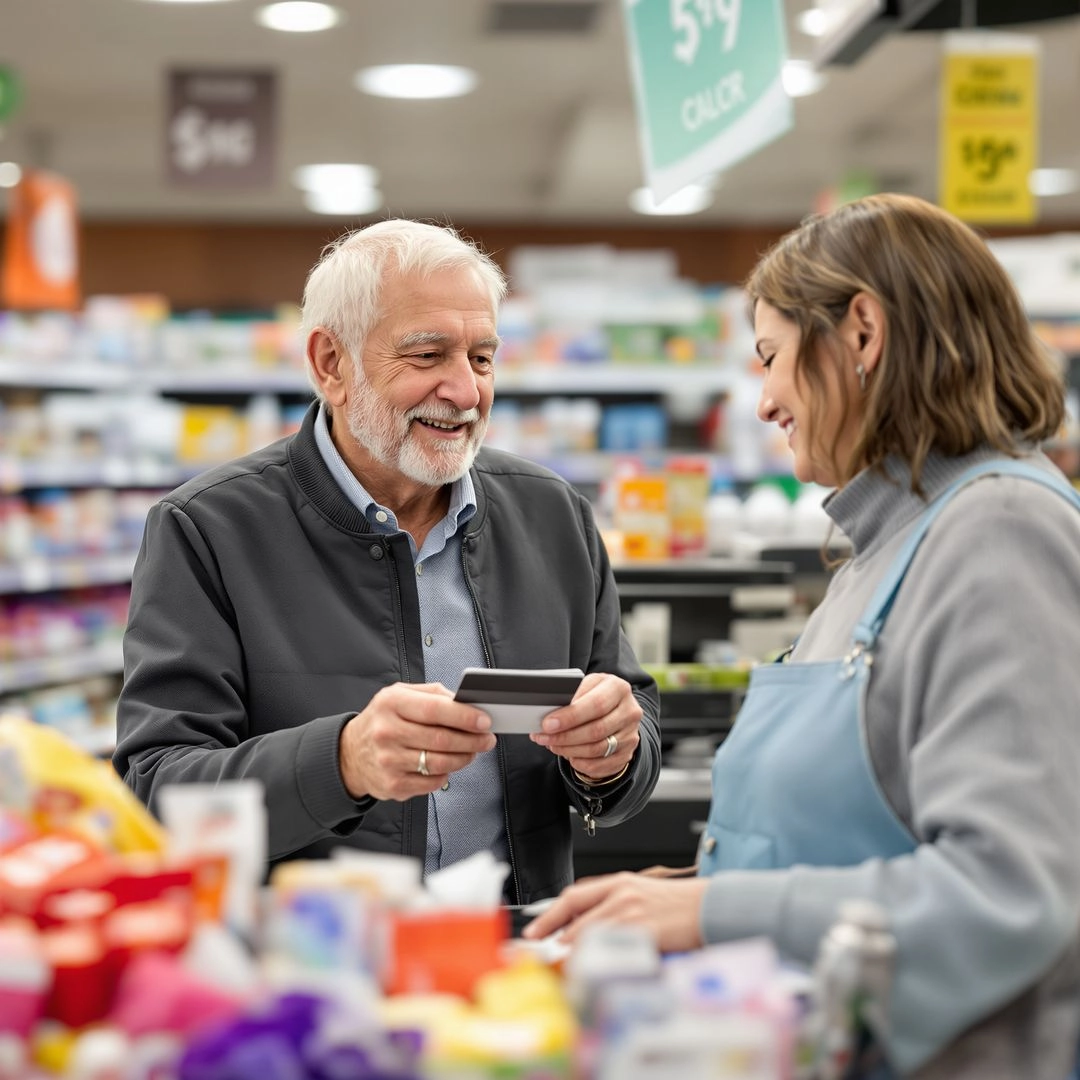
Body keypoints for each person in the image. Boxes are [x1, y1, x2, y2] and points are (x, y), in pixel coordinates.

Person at [525, 193, 1080, 1078]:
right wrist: (687, 896)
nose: (767, 401)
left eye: (773, 357)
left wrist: (713, 917)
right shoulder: (892, 540)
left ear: (862, 333)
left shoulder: (1000, 530)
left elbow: (1012, 891)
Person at [114, 218, 661, 904]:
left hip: (512, 963)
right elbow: (155, 795)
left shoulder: (554, 518)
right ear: (330, 365)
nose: (466, 392)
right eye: (428, 355)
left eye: (483, 358)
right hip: (311, 966)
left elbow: (632, 737)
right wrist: (342, 761)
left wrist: (612, 755)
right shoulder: (208, 530)